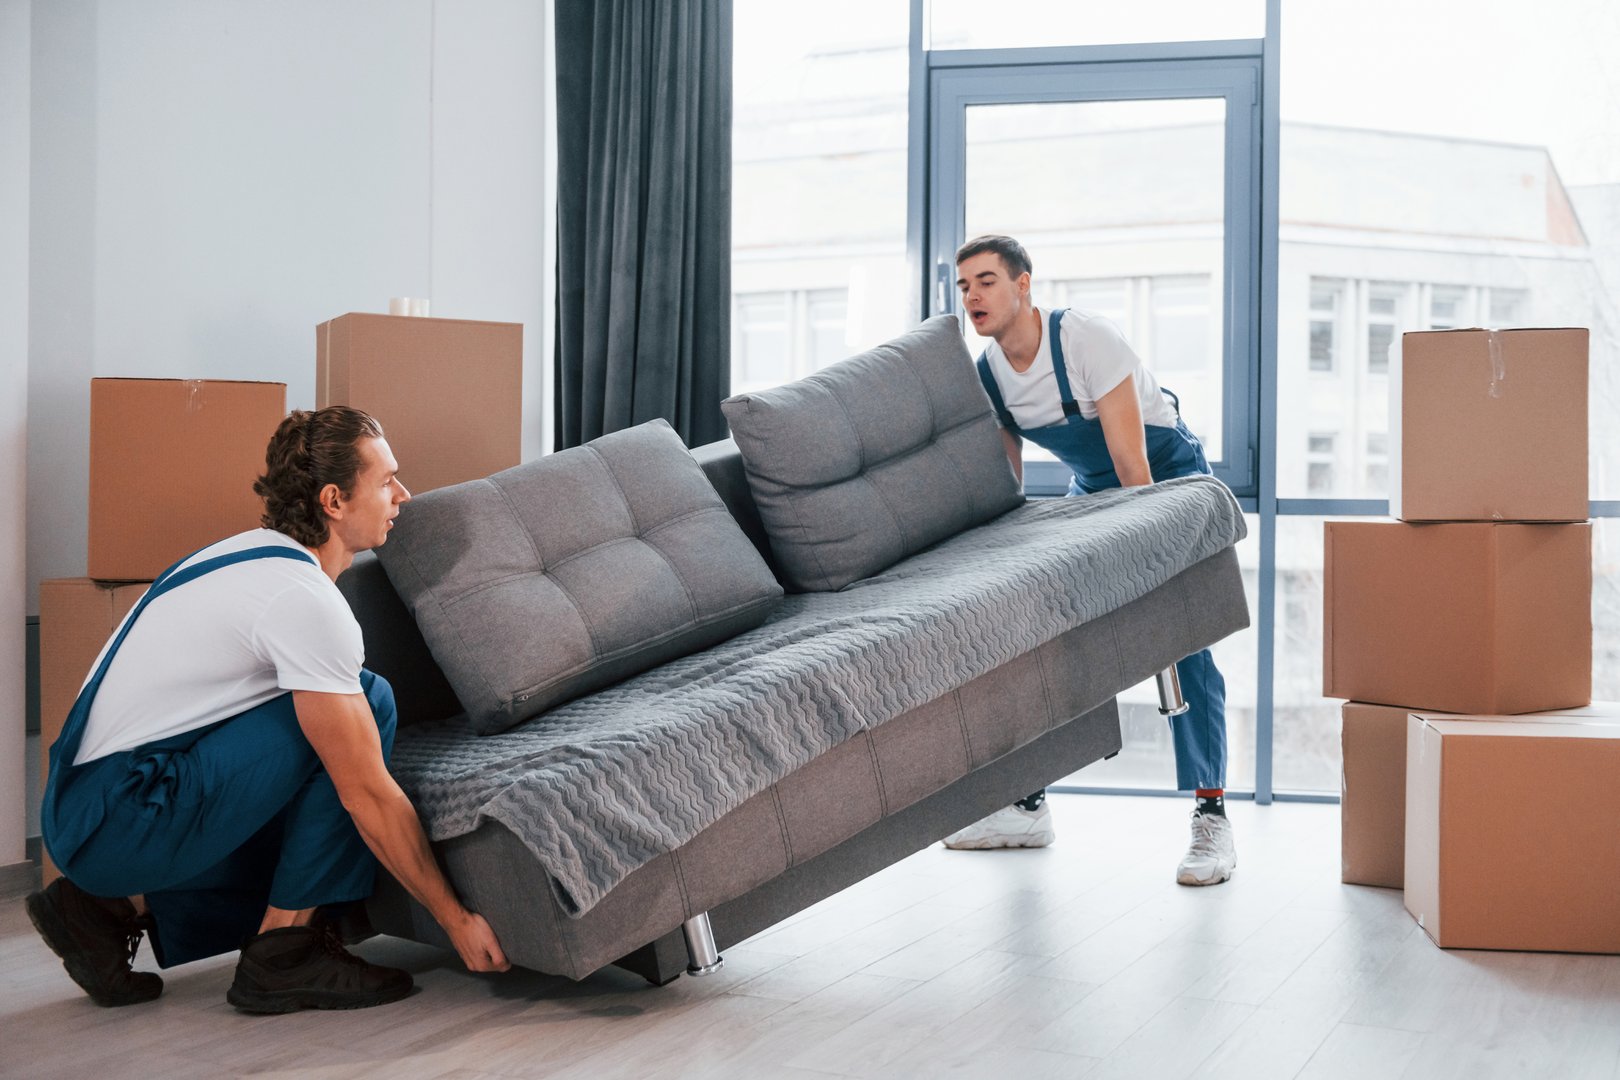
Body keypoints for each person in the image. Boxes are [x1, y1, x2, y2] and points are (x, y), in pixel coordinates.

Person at [27, 406, 510, 1012]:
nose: (403, 495)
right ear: (333, 500)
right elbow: (365, 793)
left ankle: (101, 911)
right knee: (365, 703)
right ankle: (285, 953)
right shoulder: (304, 601)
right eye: (387, 480)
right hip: (118, 816)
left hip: (84, 806)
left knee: (331, 725)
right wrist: (455, 919)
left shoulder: (250, 555)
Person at [941, 235, 1236, 887]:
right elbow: (1009, 486)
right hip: (1096, 489)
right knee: (1048, 637)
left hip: (1164, 482)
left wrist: (1151, 572)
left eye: (986, 281)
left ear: (1023, 285)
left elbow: (1132, 466)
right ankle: (1029, 804)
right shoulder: (989, 374)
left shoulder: (1086, 340)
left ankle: (1211, 815)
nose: (972, 297)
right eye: (964, 286)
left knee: (1183, 637)